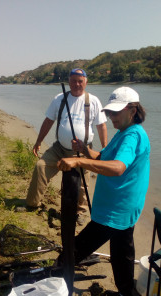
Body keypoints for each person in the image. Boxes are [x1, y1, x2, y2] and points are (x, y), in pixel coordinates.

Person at [57, 86, 150, 296]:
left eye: (116, 113)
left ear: (132, 110)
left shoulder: (133, 135)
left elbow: (118, 167)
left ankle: (58, 277)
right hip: (121, 206)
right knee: (121, 253)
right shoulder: (124, 132)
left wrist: (79, 162)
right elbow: (104, 158)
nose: (110, 117)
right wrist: (85, 150)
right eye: (109, 112)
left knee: (77, 248)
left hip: (116, 209)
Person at [25, 68, 108, 225]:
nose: (77, 84)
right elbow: (48, 121)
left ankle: (79, 212)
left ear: (86, 82)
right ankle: (32, 204)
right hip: (59, 149)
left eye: (80, 81)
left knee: (82, 183)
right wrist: (38, 141)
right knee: (41, 166)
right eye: (73, 81)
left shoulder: (93, 101)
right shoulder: (59, 99)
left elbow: (101, 126)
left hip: (82, 151)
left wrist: (105, 149)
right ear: (69, 82)